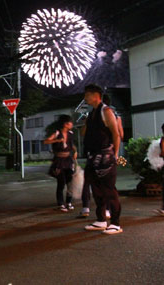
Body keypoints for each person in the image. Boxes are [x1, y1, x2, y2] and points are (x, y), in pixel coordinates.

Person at [82, 84, 123, 235]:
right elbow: (84, 134)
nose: (85, 98)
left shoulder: (106, 110)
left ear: (96, 95)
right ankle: (101, 220)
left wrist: (115, 153)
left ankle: (116, 223)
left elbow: (116, 133)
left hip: (105, 155)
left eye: (87, 95)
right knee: (97, 190)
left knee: (109, 190)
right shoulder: (91, 113)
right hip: (92, 156)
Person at [44, 115, 78, 212]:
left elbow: (72, 145)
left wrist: (75, 151)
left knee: (70, 182)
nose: (72, 124)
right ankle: (60, 204)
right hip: (59, 160)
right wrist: (57, 140)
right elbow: (46, 141)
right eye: (70, 123)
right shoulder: (57, 133)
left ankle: (69, 202)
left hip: (68, 159)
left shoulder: (71, 133)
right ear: (65, 124)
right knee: (61, 182)